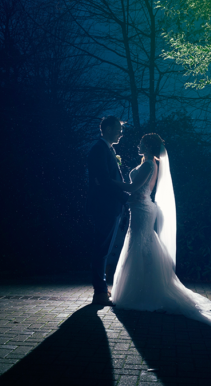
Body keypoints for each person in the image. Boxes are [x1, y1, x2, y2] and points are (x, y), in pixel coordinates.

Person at [109, 133, 211, 331]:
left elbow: (133, 187)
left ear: (147, 146)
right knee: (141, 245)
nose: (138, 145)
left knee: (139, 245)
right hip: (140, 209)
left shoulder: (148, 165)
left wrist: (111, 182)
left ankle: (140, 293)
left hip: (142, 209)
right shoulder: (149, 164)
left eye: (141, 143)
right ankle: (143, 290)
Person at [87, 116, 129, 306]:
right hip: (104, 206)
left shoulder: (107, 149)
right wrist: (125, 195)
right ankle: (100, 292)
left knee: (104, 248)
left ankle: (102, 289)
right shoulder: (99, 149)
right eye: (119, 129)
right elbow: (103, 180)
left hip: (111, 206)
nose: (121, 133)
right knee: (101, 249)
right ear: (109, 129)